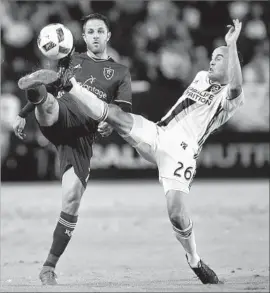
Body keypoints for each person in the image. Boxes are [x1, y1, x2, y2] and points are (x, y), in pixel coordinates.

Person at [18, 19, 243, 285]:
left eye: (219, 59)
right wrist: (28, 111)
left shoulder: (231, 98)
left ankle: (194, 259)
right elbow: (119, 112)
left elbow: (236, 86)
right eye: (213, 57)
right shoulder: (201, 77)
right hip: (158, 133)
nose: (212, 62)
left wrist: (232, 46)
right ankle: (50, 92)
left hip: (181, 153)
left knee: (177, 214)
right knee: (113, 115)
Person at [13, 13, 132, 285]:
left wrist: (110, 125)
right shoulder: (71, 59)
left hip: (82, 136)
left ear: (108, 35)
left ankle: (48, 268)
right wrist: (23, 113)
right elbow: (59, 85)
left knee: (71, 200)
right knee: (51, 103)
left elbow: (122, 113)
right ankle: (37, 91)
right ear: (85, 36)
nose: (95, 36)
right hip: (62, 113)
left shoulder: (121, 73)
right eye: (90, 31)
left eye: (100, 31)